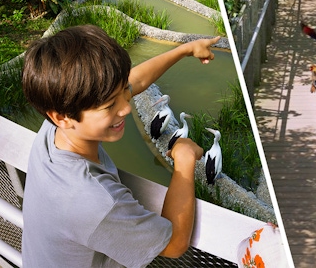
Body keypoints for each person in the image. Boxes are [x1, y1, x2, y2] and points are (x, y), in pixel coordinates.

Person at [21, 24, 220, 267]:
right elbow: (175, 244)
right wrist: (185, 159)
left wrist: (185, 50)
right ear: (61, 116)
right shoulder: (95, 201)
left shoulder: (53, 130)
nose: (126, 107)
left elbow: (133, 80)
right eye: (109, 106)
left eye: (124, 92)